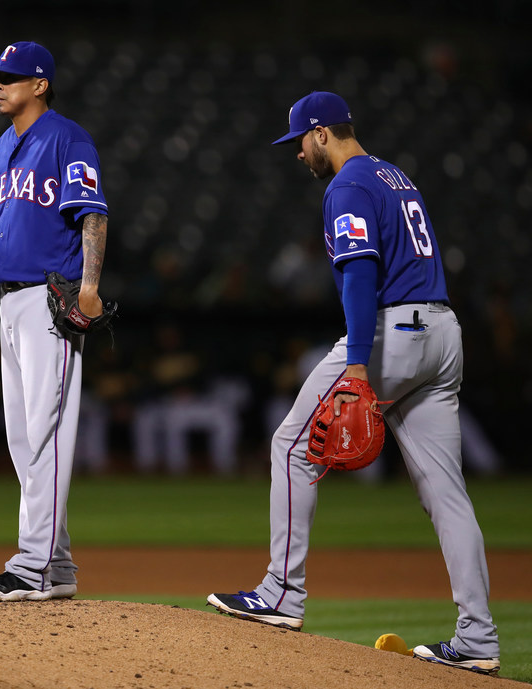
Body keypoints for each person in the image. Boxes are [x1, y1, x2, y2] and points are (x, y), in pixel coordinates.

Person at [206, 91, 500, 675]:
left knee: (291, 446)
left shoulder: (346, 186)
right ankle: (479, 639)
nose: (297, 155)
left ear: (321, 133)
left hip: (393, 334)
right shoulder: (394, 176)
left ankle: (280, 594)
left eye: (299, 142)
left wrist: (360, 365)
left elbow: (361, 276)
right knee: (447, 494)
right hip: (443, 333)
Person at [0, 41, 109, 601]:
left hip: (51, 300)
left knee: (46, 431)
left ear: (40, 83)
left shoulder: (69, 138)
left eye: (11, 76)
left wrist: (90, 288)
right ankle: (58, 562)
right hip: (8, 302)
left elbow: (93, 213)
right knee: (24, 439)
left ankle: (33, 565)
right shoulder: (4, 145)